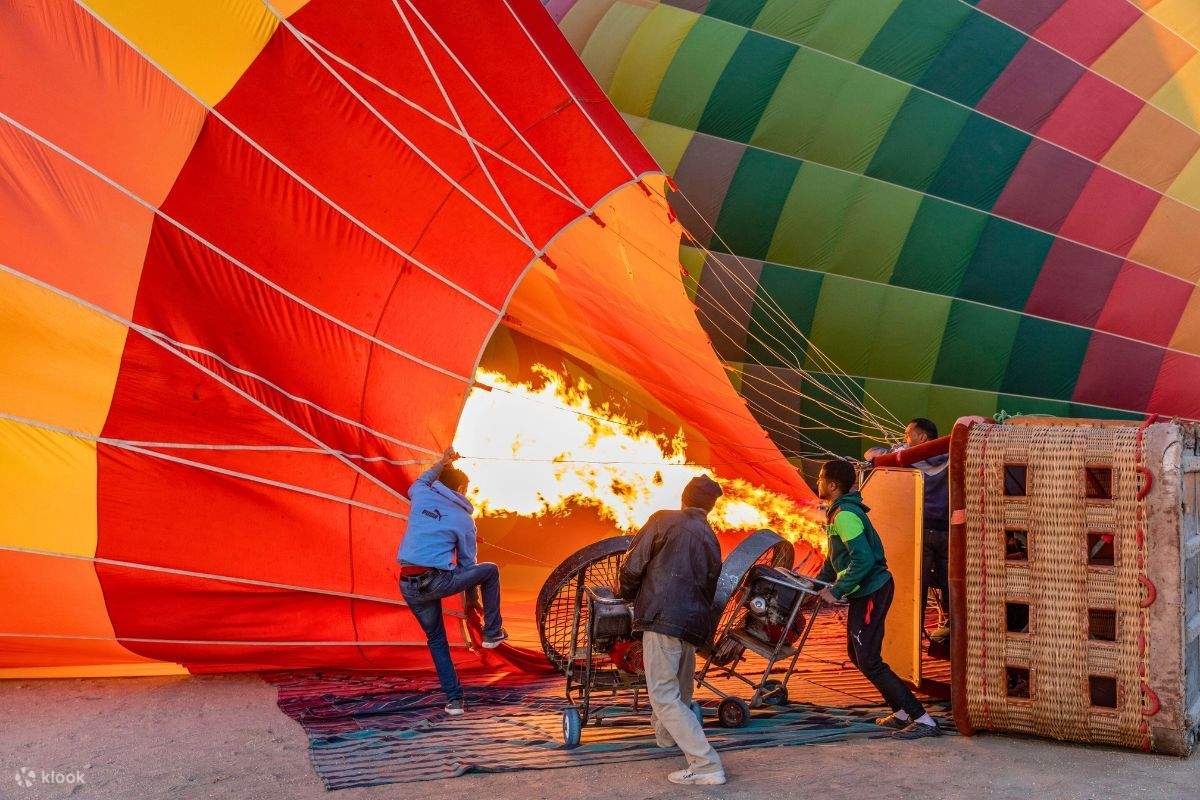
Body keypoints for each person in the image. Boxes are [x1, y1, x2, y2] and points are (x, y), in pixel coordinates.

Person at [815, 459, 941, 740]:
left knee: (869, 659)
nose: (818, 482)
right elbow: (834, 559)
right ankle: (900, 713)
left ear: (833, 485)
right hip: (865, 591)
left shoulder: (845, 515)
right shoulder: (837, 513)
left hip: (872, 590)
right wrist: (815, 583)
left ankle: (922, 718)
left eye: (821, 478)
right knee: (856, 655)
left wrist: (835, 591)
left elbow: (863, 560)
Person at [618, 475, 726, 786]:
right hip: (693, 625)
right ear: (711, 507)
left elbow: (633, 565)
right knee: (679, 691)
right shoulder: (710, 536)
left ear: (683, 497)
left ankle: (705, 764)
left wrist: (625, 595)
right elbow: (710, 586)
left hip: (663, 618)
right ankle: (667, 741)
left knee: (664, 695)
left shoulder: (664, 520)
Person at [398, 447, 507, 716]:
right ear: (460, 488)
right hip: (436, 580)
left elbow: (424, 479)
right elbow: (469, 566)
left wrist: (443, 461)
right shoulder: (463, 518)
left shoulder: (421, 493)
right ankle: (492, 632)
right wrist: (472, 601)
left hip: (407, 584)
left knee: (436, 640)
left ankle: (454, 700)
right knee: (490, 570)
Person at [867, 418, 950, 639]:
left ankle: (912, 637)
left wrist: (898, 449)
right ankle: (952, 632)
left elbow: (872, 455)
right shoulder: (954, 456)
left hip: (921, 533)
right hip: (948, 532)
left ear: (922, 437)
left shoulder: (907, 460)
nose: (905, 439)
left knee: (917, 586)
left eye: (907, 435)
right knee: (950, 585)